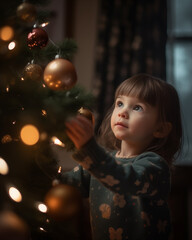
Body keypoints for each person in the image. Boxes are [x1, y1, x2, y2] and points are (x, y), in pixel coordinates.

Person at [62, 73, 183, 240]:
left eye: (137, 107)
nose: (123, 112)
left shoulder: (155, 166)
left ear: (160, 129)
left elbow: (122, 179)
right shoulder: (100, 162)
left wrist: (88, 147)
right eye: (120, 103)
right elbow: (64, 184)